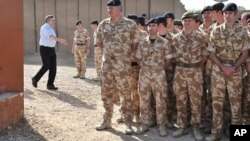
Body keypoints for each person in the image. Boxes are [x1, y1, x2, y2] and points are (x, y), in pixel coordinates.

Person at [206, 3, 250, 141]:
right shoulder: (216, 31)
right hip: (218, 71)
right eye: (225, 13)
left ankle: (237, 134)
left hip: (235, 71)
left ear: (235, 14)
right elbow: (211, 53)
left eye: (230, 13)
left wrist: (234, 67)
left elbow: (245, 53)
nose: (227, 16)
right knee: (217, 103)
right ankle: (216, 132)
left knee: (235, 104)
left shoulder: (243, 32)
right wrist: (223, 67)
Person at [95, 0, 139, 135]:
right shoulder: (103, 24)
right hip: (107, 65)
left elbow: (135, 43)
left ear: (119, 9)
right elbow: (100, 43)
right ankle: (107, 120)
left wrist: (123, 56)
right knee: (106, 93)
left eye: (111, 8)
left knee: (125, 94)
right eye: (108, 8)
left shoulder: (130, 24)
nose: (109, 10)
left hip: (123, 66)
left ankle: (128, 123)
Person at [171, 12, 208, 141]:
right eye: (184, 21)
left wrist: (196, 65)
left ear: (194, 22)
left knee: (195, 101)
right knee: (180, 100)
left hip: (195, 72)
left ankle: (196, 127)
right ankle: (181, 126)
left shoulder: (202, 37)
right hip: (180, 71)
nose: (187, 23)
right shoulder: (175, 38)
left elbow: (205, 55)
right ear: (182, 23)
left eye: (189, 21)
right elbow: (173, 55)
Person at [136, 17, 171, 137]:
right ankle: (145, 124)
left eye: (154, 26)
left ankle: (162, 125)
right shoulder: (142, 42)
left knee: (160, 100)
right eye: (149, 26)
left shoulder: (164, 42)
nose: (151, 28)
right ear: (147, 27)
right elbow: (138, 58)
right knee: (144, 100)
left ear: (158, 27)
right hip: (144, 75)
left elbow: (168, 59)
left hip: (158, 75)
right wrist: (145, 68)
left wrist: (159, 68)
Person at [32, 15, 67, 90]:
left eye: (54, 20)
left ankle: (50, 85)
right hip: (45, 49)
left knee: (53, 68)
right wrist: (61, 40)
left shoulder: (51, 28)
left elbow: (52, 38)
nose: (54, 22)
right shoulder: (44, 27)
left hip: (51, 49)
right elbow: (51, 37)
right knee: (46, 66)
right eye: (52, 20)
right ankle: (35, 78)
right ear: (48, 21)